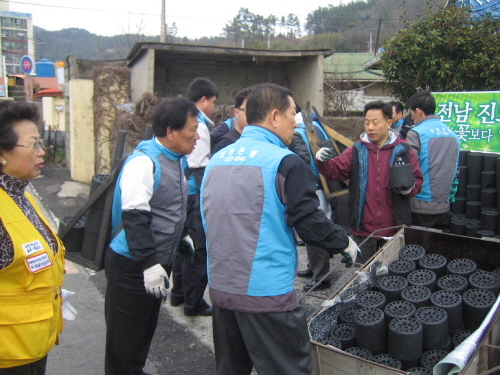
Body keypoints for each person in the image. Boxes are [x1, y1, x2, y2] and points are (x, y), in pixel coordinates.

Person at [200, 83, 359, 374]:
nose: (294, 124)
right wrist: (344, 242)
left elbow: (207, 219)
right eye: (291, 116)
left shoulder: (217, 160)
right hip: (265, 295)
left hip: (222, 291)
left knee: (231, 369)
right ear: (274, 117)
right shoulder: (285, 163)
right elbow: (311, 224)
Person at [104, 97, 199, 375]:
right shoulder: (143, 163)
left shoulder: (175, 160)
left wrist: (181, 235)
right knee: (124, 341)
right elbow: (135, 218)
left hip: (156, 265)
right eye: (192, 129)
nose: (196, 136)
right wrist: (147, 264)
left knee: (142, 333)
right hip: (133, 267)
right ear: (171, 131)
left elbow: (169, 207)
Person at [0, 102, 65, 374]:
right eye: (33, 145)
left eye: (41, 143)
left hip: (32, 343)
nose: (42, 151)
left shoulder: (21, 197)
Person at [315, 101, 423, 263]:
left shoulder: (403, 151)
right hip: (363, 231)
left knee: (391, 275)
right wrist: (322, 161)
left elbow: (418, 182)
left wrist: (407, 189)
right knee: (362, 277)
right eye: (367, 122)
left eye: (375, 122)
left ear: (388, 123)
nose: (370, 127)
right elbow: (334, 171)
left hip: (393, 229)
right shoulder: (356, 150)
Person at [170, 77, 218, 316]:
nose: (213, 107)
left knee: (183, 244)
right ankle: (193, 302)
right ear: (203, 100)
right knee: (197, 248)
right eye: (212, 102)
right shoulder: (197, 125)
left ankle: (178, 293)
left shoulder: (180, 118)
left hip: (180, 191)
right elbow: (198, 164)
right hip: (193, 193)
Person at [292, 110, 337, 291]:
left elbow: (302, 158)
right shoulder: (316, 126)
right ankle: (315, 269)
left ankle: (321, 277)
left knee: (314, 230)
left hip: (312, 186)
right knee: (321, 225)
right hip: (323, 183)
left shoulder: (296, 133)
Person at [406, 91, 460, 229]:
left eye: (411, 113)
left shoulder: (415, 134)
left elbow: (408, 170)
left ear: (418, 111)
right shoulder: (453, 135)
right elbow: (455, 171)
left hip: (419, 206)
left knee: (418, 248)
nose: (412, 117)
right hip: (444, 206)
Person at [211, 86, 253, 154]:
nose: (253, 115)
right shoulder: (225, 144)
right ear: (236, 113)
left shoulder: (260, 142)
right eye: (248, 111)